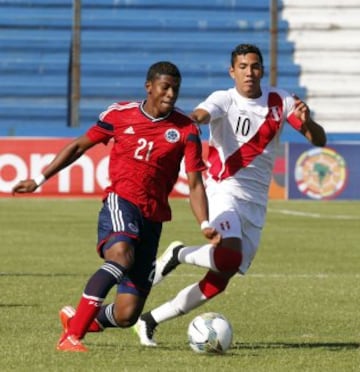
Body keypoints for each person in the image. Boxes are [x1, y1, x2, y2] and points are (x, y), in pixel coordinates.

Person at [12, 61, 220, 352]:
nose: (171, 94)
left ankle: (78, 320)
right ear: (149, 87)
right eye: (165, 87)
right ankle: (72, 338)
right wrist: (38, 178)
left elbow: (195, 183)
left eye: (175, 88)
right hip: (121, 201)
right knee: (121, 256)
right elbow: (79, 146)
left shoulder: (186, 130)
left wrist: (204, 224)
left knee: (126, 314)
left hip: (154, 216)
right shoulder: (120, 114)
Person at [133, 43, 327, 347]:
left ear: (262, 70)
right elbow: (200, 114)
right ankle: (178, 253)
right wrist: (189, 121)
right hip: (224, 190)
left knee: (219, 280)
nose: (249, 72)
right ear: (232, 71)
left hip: (256, 202)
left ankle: (150, 320)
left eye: (255, 66)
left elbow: (319, 140)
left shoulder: (282, 100)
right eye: (243, 67)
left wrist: (308, 120)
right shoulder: (224, 98)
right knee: (228, 255)